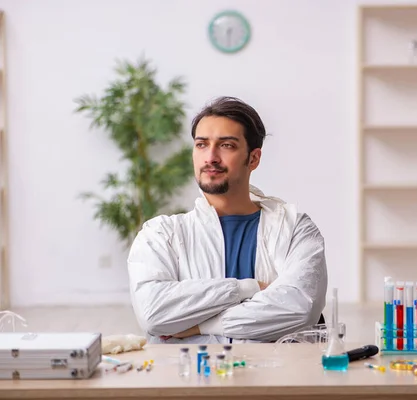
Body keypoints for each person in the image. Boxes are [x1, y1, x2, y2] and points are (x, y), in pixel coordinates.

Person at [127, 96, 328, 344]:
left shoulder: (294, 228)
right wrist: (249, 289)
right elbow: (153, 314)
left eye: (227, 145)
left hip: (275, 378)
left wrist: (200, 326)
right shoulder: (161, 234)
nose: (210, 157)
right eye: (201, 145)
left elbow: (300, 309)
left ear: (253, 159)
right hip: (189, 378)